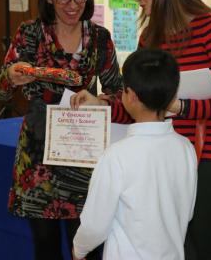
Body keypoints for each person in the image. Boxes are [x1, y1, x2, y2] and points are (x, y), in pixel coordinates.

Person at [72, 0, 211, 260]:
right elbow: (138, 100)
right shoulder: (150, 35)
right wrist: (101, 105)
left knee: (196, 249)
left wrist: (180, 108)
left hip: (206, 160)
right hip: (159, 160)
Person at [0, 0, 123, 260]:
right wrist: (11, 77)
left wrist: (99, 100)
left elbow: (119, 92)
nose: (73, 4)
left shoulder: (100, 38)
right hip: (38, 159)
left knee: (86, 248)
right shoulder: (29, 34)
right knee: (45, 249)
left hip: (84, 154)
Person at [71, 48, 198, 260]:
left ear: (131, 97)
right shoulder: (186, 148)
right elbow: (187, 212)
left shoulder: (116, 156)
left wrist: (79, 249)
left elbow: (95, 224)